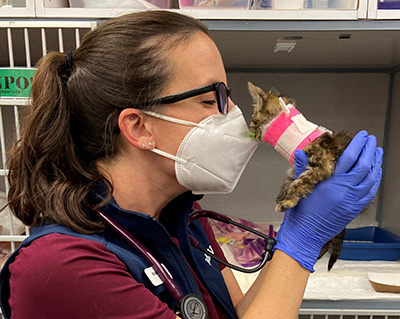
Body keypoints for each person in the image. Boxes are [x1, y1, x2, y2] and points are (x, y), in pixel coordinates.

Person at [0, 10, 382, 319]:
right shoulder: (61, 267)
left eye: (227, 96)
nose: (234, 114)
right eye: (210, 99)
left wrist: (297, 232)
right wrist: (303, 241)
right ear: (138, 126)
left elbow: (241, 314)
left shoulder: (184, 218)